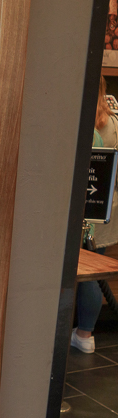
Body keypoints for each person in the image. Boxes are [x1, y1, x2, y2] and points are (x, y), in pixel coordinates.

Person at [71, 76, 118, 353]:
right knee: (93, 269)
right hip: (102, 210)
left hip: (71, 210)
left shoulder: (74, 118)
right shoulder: (113, 123)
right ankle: (86, 335)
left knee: (66, 272)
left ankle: (58, 334)